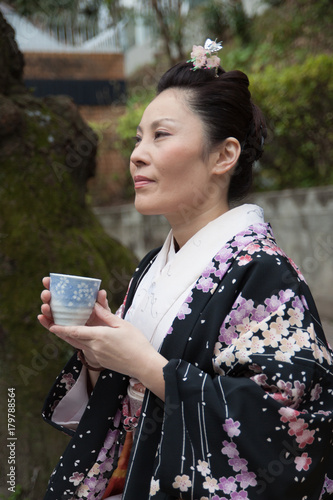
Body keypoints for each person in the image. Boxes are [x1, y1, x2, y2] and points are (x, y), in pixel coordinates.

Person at [38, 39, 333, 500]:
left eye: (161, 135)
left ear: (223, 156)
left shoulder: (264, 272)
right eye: (138, 137)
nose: (137, 153)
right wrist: (98, 356)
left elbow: (289, 423)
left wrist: (143, 363)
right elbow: (125, 410)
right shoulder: (151, 269)